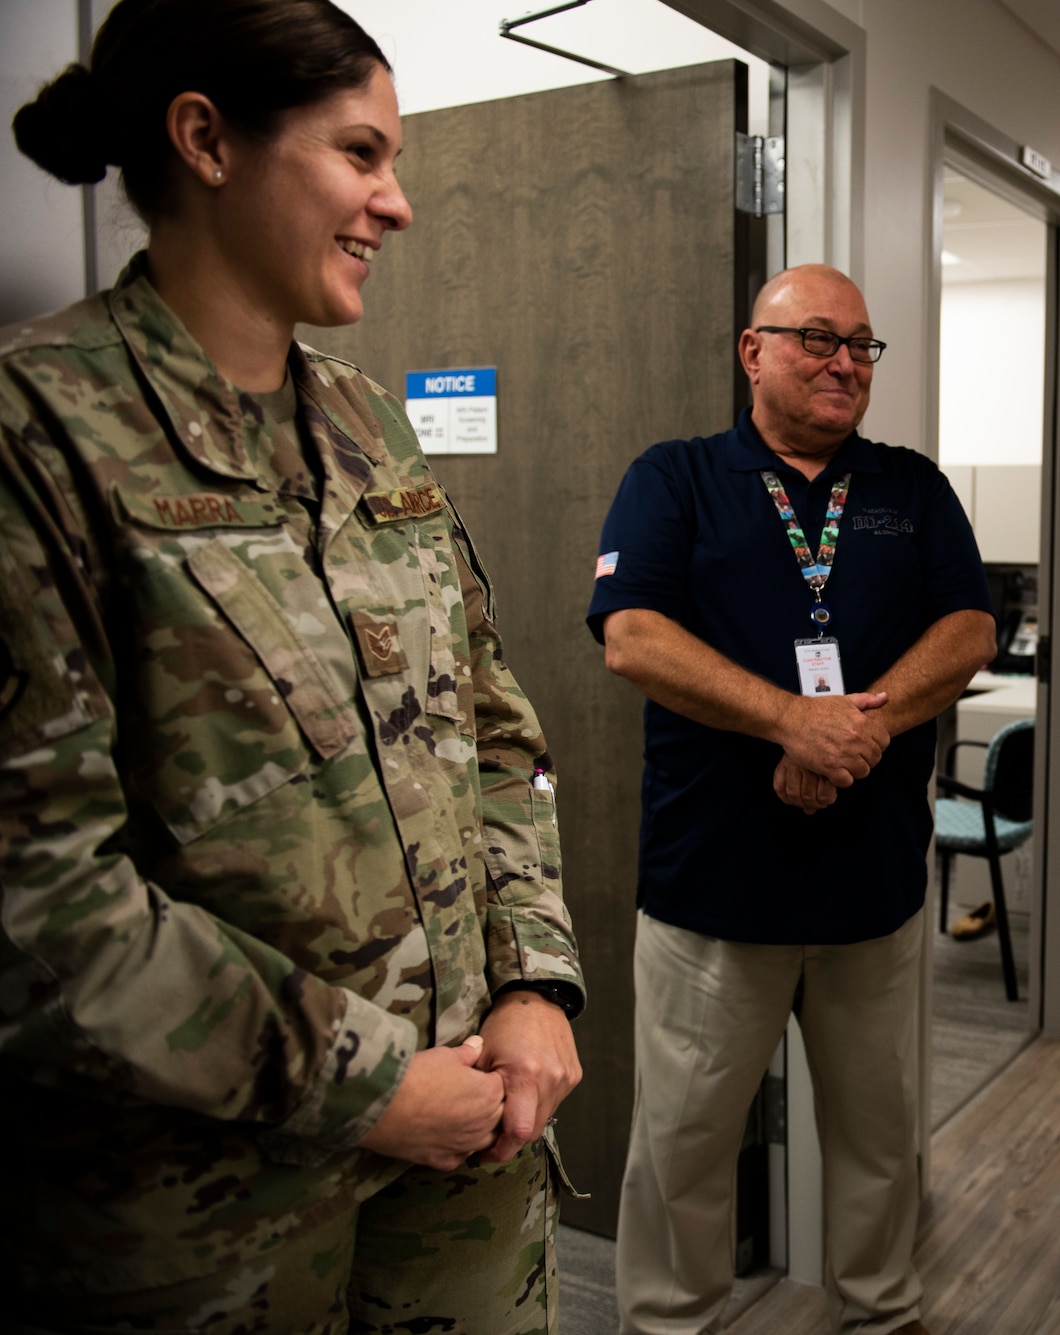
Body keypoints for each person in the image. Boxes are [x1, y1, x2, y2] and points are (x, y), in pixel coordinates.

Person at [1, 1, 585, 1329]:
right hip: (209, 1221)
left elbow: (502, 734)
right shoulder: (39, 434)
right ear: (207, 140)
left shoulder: (372, 426)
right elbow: (41, 905)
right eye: (361, 154)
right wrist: (371, 1081)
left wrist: (533, 978)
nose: (398, 202)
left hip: (469, 1168)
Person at [590, 263, 997, 1335]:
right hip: (711, 890)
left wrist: (852, 729)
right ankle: (667, 1325)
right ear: (751, 350)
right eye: (816, 338)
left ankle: (881, 1309)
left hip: (872, 888)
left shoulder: (909, 489)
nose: (842, 362)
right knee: (682, 1146)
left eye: (860, 345)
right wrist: (787, 719)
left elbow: (967, 631)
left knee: (878, 1135)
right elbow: (631, 636)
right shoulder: (673, 478)